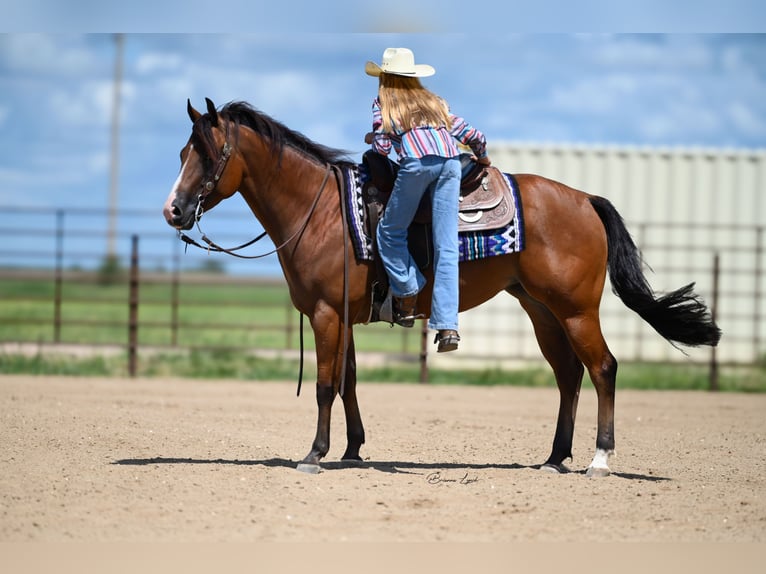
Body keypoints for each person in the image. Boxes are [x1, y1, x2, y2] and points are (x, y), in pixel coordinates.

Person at [364, 47, 491, 353]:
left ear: (384, 77)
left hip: (417, 164)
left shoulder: (384, 103)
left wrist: (373, 138)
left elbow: (381, 149)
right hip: (449, 164)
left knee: (390, 231)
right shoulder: (436, 101)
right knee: (446, 246)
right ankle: (448, 327)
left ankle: (407, 291)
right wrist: (483, 158)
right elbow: (473, 134)